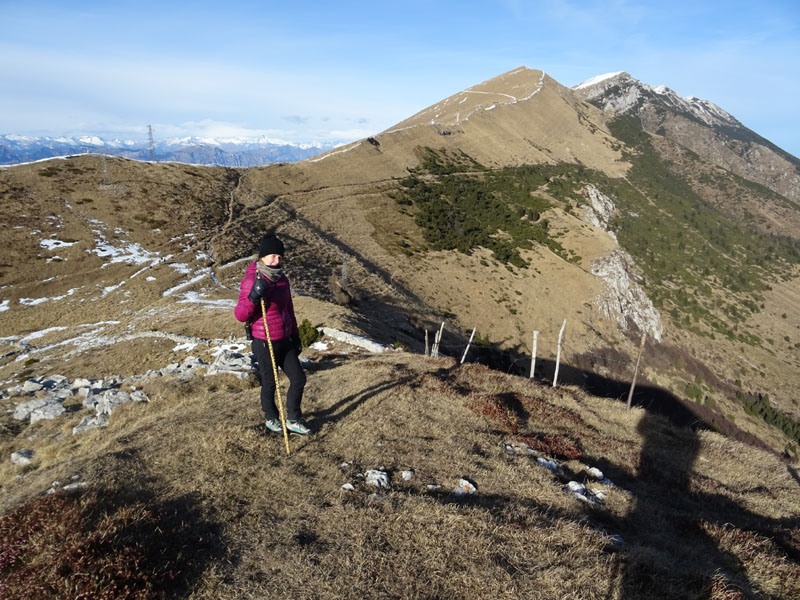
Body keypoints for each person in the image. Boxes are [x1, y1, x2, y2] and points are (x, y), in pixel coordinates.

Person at [235, 233, 310, 435]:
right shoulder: (252, 280)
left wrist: (295, 335)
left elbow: (288, 309)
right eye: (272, 257)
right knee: (270, 383)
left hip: (284, 339)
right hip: (264, 340)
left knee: (298, 379)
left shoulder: (282, 280)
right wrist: (254, 296)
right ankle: (271, 417)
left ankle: (293, 418)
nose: (276, 261)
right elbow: (240, 315)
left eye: (280, 257)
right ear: (262, 257)